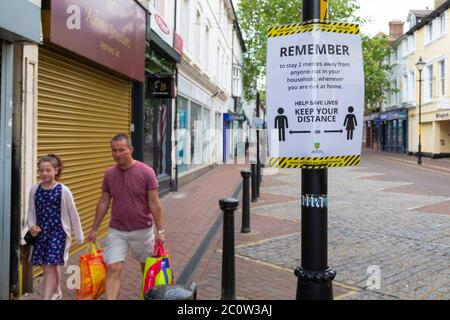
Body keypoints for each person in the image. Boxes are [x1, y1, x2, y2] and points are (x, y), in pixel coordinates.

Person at [87, 133, 165, 300]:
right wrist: (94, 229)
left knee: (147, 268)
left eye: (122, 150)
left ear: (131, 149)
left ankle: (147, 296)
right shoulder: (109, 174)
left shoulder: (146, 172)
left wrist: (160, 231)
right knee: (113, 267)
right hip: (117, 230)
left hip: (142, 230)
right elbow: (104, 202)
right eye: (114, 151)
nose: (118, 154)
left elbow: (154, 203)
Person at [27, 154, 84, 300]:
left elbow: (73, 213)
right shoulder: (34, 190)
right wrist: (32, 226)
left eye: (48, 170)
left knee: (48, 266)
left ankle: (46, 297)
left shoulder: (63, 190)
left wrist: (79, 235)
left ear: (56, 171)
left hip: (58, 234)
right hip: (41, 234)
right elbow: (31, 211)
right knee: (51, 266)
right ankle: (57, 291)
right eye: (41, 170)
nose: (44, 173)